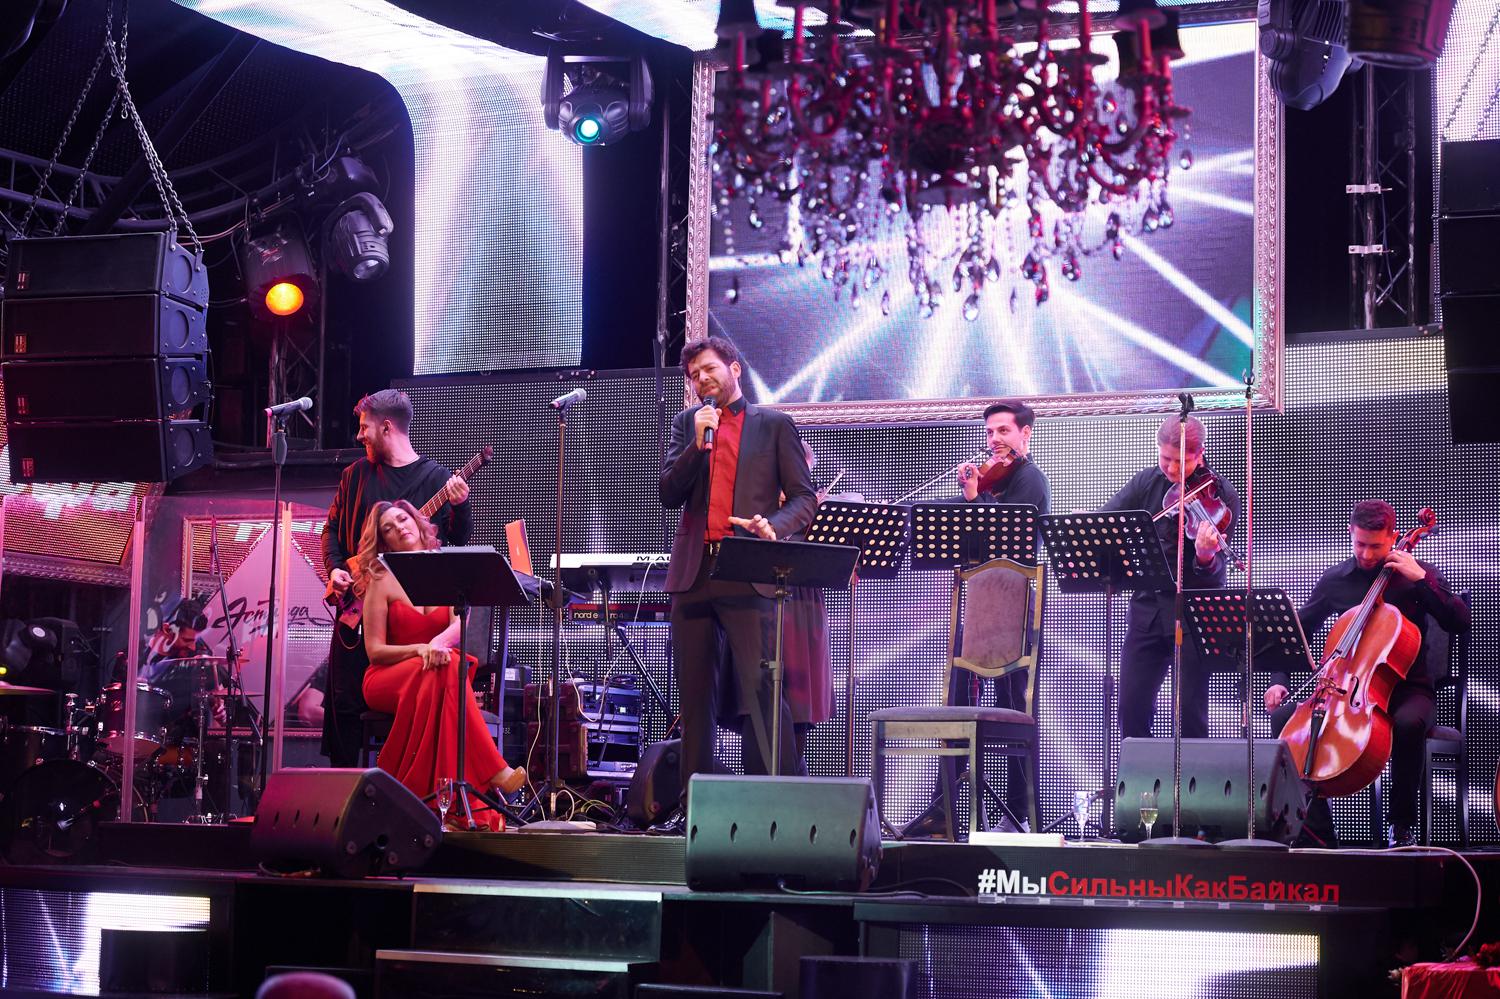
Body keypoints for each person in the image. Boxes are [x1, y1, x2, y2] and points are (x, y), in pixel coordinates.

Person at [660, 336, 818, 794]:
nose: (702, 379)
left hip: (747, 570)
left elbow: (804, 498)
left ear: (734, 369)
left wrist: (774, 525)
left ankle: (778, 805)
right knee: (694, 701)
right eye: (694, 375)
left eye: (709, 369)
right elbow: (668, 492)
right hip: (693, 575)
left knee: (763, 691)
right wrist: (696, 446)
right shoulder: (688, 424)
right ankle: (694, 809)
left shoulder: (774, 425)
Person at [1266, 500, 1469, 847]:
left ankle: (1401, 826)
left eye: (1376, 546)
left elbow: (1460, 620)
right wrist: (1279, 682)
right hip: (1347, 691)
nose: (1366, 554)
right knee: (1284, 719)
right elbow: (1296, 634)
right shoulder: (1335, 581)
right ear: (1351, 533)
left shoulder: (1416, 575)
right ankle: (1317, 833)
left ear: (1393, 537)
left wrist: (1422, 580)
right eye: (1360, 544)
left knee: (1409, 724)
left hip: (1408, 689)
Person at [905, 401, 1052, 837]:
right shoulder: (991, 482)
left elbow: (1010, 534)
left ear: (1025, 433)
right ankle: (946, 806)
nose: (994, 440)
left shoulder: (1031, 479)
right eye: (989, 432)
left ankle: (1016, 814)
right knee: (956, 701)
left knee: (1013, 710)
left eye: (1003, 430)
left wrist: (975, 498)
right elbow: (951, 516)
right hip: (980, 610)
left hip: (1016, 610)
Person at [321, 389, 472, 766]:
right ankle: (344, 787)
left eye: (364, 427)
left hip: (410, 618)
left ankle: (412, 776)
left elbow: (456, 542)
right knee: (344, 701)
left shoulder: (436, 478)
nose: (359, 435)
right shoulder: (355, 475)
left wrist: (461, 506)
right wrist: (335, 568)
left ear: (386, 427)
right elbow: (332, 530)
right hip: (358, 609)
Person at [358, 501, 524, 827]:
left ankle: (443, 805)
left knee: (446, 667)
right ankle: (492, 771)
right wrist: (421, 648)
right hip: (386, 677)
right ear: (384, 541)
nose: (398, 528)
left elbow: (459, 624)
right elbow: (375, 651)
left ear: (417, 522)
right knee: (447, 669)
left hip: (433, 671)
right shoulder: (380, 579)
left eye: (402, 519)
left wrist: (437, 644)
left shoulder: (445, 569)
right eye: (388, 528)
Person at [1103, 415, 1238, 740]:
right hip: (1147, 612)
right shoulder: (1147, 482)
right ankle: (1139, 775)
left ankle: (1191, 776)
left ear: (1199, 454)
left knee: (1190, 714)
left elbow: (1215, 577)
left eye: (1181, 462)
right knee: (1131, 709)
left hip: (1193, 617)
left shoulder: (1221, 496)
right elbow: (1108, 519)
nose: (1172, 469)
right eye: (1165, 459)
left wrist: (1205, 556)